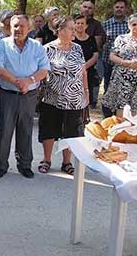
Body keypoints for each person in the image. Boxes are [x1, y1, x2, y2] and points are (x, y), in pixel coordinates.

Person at [0, 15, 50, 179]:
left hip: (29, 95)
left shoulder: (37, 47)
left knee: (25, 130)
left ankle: (24, 165)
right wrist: (17, 82)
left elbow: (44, 70)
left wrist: (28, 81)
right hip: (7, 93)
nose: (19, 29)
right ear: (10, 27)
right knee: (4, 130)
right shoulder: (2, 45)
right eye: (15, 26)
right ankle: (0, 165)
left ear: (29, 28)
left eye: (22, 26)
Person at [38, 15, 88, 175]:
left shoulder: (77, 48)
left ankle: (67, 162)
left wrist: (86, 92)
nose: (75, 31)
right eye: (71, 28)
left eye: (75, 28)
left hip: (74, 99)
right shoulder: (47, 49)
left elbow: (83, 72)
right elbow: (42, 72)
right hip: (52, 98)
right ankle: (46, 160)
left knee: (71, 131)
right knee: (49, 129)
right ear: (59, 30)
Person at [101, 13, 137, 117]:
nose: (136, 27)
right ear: (129, 25)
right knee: (121, 107)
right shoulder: (121, 39)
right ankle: (121, 130)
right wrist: (126, 63)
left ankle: (133, 131)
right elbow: (112, 56)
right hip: (122, 79)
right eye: (134, 24)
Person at [102, 0, 129, 93]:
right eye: (117, 7)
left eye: (122, 7)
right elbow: (102, 41)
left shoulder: (130, 24)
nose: (119, 9)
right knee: (108, 86)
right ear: (113, 8)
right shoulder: (106, 24)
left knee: (123, 88)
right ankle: (106, 107)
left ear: (126, 9)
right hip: (108, 61)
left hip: (126, 62)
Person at [73, 14, 100, 108]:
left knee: (86, 100)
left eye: (82, 23)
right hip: (72, 73)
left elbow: (95, 55)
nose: (80, 25)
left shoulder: (91, 39)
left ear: (86, 26)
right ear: (74, 25)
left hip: (88, 73)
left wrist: (84, 67)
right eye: (77, 23)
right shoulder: (71, 39)